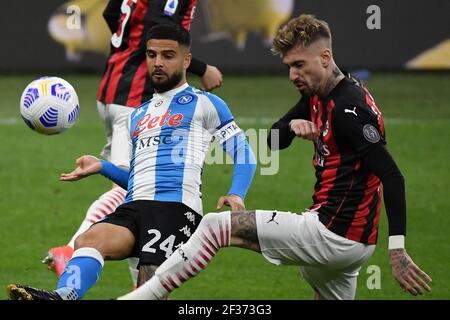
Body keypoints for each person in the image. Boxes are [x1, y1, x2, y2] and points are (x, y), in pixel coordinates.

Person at [111, 14, 432, 300]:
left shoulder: (348, 108)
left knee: (213, 226)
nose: (293, 75)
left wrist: (397, 249)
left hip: (332, 233)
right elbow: (274, 140)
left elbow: (392, 175)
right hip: (347, 241)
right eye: (289, 66)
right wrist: (292, 127)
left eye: (299, 65)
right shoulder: (320, 91)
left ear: (325, 57)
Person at [7, 23, 256, 300]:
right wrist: (102, 167)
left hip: (175, 209)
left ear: (187, 60)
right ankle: (63, 295)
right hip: (135, 206)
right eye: (152, 55)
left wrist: (237, 192)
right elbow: (138, 179)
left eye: (168, 55)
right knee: (87, 240)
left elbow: (244, 152)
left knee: (148, 285)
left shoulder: (207, 103)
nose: (158, 63)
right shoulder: (139, 114)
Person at [43, 0, 224, 285]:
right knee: (133, 186)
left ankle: (141, 287)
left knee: (140, 201)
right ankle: (69, 248)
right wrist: (200, 67)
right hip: (135, 96)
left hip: (112, 88)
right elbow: (155, 28)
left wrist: (125, 50)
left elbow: (110, 12)